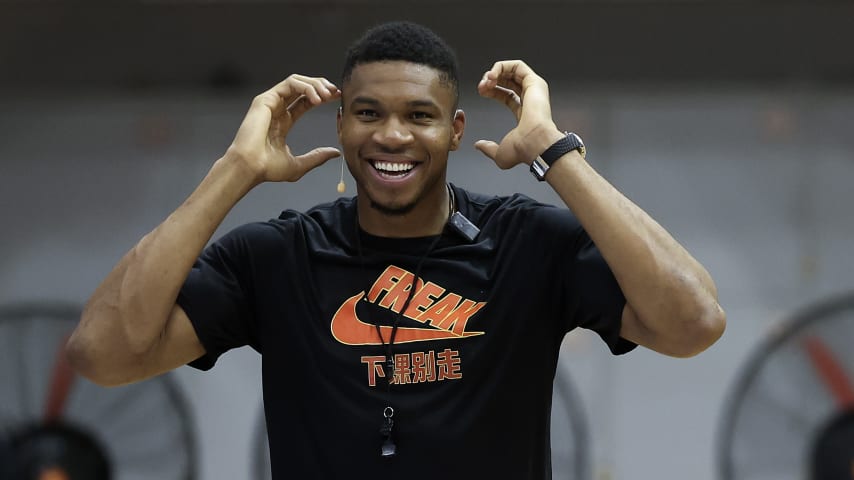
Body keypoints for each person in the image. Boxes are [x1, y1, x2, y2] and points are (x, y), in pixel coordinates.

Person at [67, 21, 725, 479]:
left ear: (455, 129)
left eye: (419, 115)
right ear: (341, 123)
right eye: (368, 112)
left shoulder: (526, 244)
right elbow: (102, 356)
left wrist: (554, 152)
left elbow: (693, 323)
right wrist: (234, 169)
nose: (392, 135)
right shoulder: (278, 256)